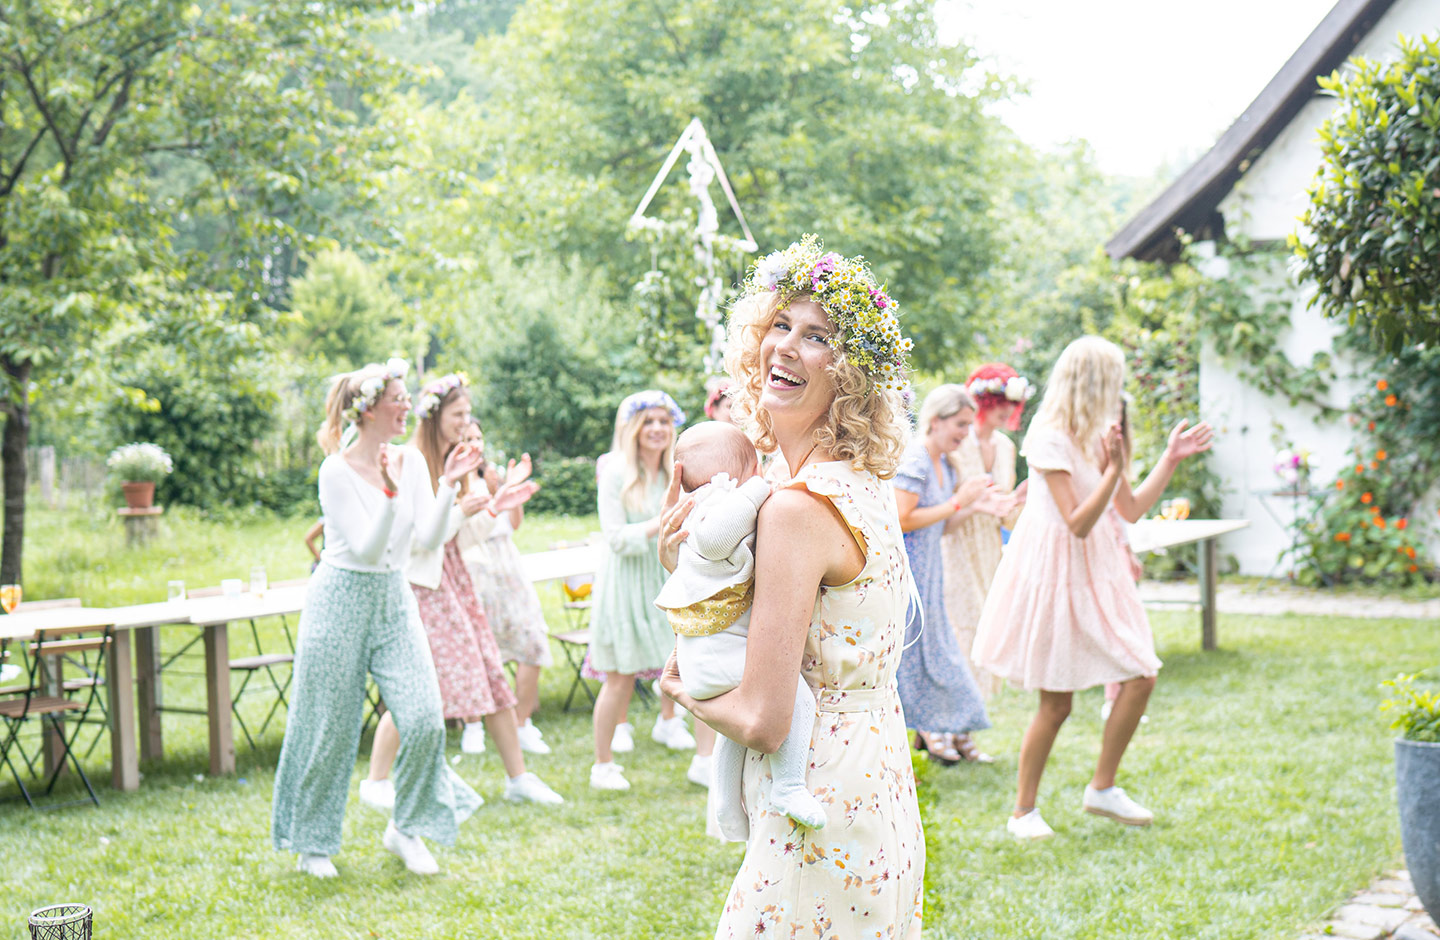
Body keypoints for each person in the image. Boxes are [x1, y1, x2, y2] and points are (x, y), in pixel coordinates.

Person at [659, 235, 924, 938]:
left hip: (818, 789)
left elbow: (763, 720)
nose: (785, 347)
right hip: (879, 781)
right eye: (780, 325)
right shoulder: (857, 483)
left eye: (817, 338)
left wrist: (684, 689)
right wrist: (687, 570)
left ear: (853, 376)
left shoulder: (797, 508)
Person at [971, 336, 1213, 841]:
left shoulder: (1104, 431)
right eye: (1116, 380)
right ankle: (1023, 812)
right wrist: (1114, 468)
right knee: (1056, 704)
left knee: (1141, 673)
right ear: (1096, 381)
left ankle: (1102, 788)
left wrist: (1168, 458)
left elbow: (1129, 508)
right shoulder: (1049, 436)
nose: (1120, 390)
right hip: (1057, 569)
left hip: (1098, 567)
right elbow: (1077, 521)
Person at [271, 359, 483, 879]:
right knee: (329, 728)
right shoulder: (335, 471)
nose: (408, 406)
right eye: (397, 398)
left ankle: (405, 829)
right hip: (339, 599)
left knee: (426, 719)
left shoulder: (409, 463)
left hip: (393, 600)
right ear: (366, 411)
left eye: (408, 397)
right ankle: (312, 844)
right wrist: (388, 494)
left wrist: (451, 484)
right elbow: (364, 550)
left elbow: (428, 539)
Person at [359, 373, 563, 813]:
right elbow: (414, 540)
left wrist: (495, 505)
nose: (465, 423)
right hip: (422, 586)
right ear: (433, 417)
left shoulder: (459, 461)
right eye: (458, 415)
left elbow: (465, 538)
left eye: (468, 415)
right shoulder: (412, 461)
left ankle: (519, 778)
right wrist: (457, 510)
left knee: (491, 672)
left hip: (455, 581)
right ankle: (376, 779)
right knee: (420, 683)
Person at [655, 421, 825, 839]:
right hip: (718, 654)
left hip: (709, 655)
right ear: (736, 474)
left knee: (732, 734)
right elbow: (713, 541)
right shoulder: (717, 502)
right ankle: (789, 786)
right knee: (795, 701)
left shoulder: (710, 500)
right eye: (756, 465)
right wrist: (757, 489)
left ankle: (728, 809)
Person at [895, 384, 1014, 765]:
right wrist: (959, 500)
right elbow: (903, 519)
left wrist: (977, 507)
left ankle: (950, 732)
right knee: (922, 656)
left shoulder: (945, 463)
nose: (965, 433)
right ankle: (933, 732)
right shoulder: (915, 459)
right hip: (908, 574)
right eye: (960, 425)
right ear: (935, 420)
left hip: (931, 573)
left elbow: (942, 524)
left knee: (942, 654)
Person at [589, 390, 695, 792]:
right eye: (648, 422)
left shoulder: (678, 470)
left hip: (665, 579)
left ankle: (674, 727)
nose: (656, 429)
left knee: (682, 663)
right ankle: (603, 765)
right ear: (632, 428)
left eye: (664, 421)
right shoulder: (615, 471)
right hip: (625, 583)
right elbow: (616, 537)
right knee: (618, 678)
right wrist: (663, 521)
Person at [459, 419, 554, 754]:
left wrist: (513, 492)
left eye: (478, 437)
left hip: (507, 564)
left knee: (531, 639)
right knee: (475, 648)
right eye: (466, 437)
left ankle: (522, 722)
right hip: (473, 566)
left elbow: (513, 524)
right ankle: (472, 724)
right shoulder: (451, 482)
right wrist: (501, 493)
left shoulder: (492, 475)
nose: (474, 444)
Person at [940, 363, 1032, 699]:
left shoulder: (1007, 447)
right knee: (962, 629)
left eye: (1012, 403)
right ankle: (951, 728)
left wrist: (1017, 502)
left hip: (991, 550)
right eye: (999, 401)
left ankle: (965, 727)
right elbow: (943, 502)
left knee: (988, 629)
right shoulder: (956, 444)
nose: (1007, 410)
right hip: (956, 545)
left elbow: (1004, 516)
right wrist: (975, 503)